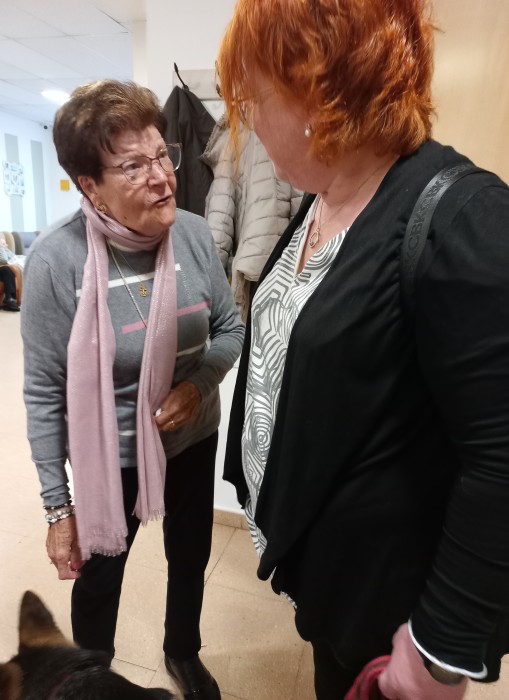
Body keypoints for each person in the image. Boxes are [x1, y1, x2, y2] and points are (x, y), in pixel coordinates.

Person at [216, 1, 509, 698]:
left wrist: (440, 647)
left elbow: (502, 452)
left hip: (387, 604)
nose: (248, 124)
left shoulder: (464, 218)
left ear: (314, 89)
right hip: (329, 570)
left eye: (254, 100)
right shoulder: (324, 196)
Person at [21, 80, 244, 700]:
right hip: (110, 458)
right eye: (134, 165)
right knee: (100, 580)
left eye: (162, 156)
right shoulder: (57, 262)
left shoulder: (193, 235)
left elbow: (231, 327)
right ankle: (89, 678)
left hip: (191, 438)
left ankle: (182, 650)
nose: (163, 177)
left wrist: (197, 386)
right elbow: (43, 393)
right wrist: (58, 509)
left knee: (190, 556)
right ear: (90, 186)